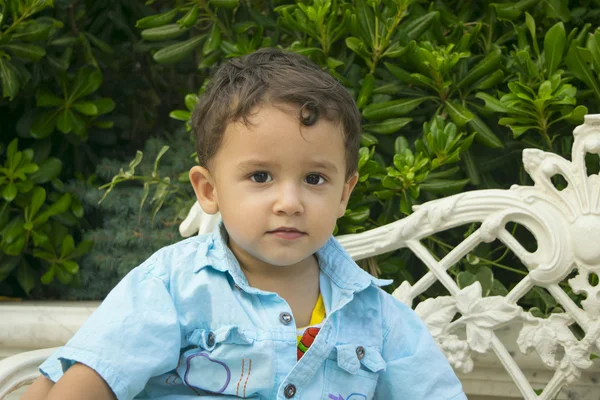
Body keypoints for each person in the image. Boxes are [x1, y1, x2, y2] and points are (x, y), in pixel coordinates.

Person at [22, 48, 467, 400]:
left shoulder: (377, 317)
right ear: (209, 190)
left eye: (315, 179)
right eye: (260, 177)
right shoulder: (174, 286)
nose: (289, 202)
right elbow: (91, 379)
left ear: (344, 193)